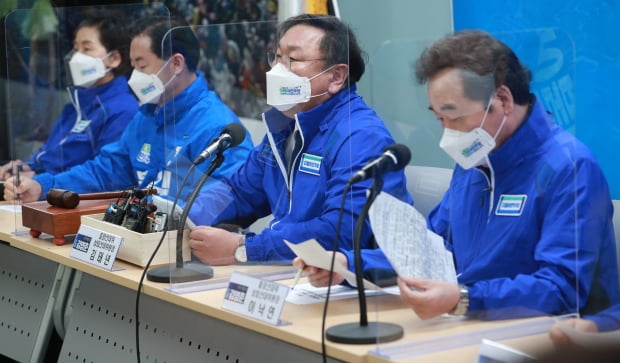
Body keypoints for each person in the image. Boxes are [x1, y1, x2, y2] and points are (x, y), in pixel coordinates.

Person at [297, 30, 619, 321]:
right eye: (438, 119)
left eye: (453, 116)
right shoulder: (475, 159)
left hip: (553, 340)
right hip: (470, 324)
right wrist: (346, 264)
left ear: (503, 100)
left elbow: (561, 289)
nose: (447, 134)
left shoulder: (569, 167)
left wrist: (464, 299)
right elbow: (428, 249)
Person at [186, 14, 411, 266]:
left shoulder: (360, 136)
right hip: (292, 269)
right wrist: (183, 218)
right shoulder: (286, 125)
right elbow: (239, 193)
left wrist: (245, 248)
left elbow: (341, 232)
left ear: (336, 76)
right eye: (277, 57)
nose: (277, 70)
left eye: (292, 59)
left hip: (345, 283)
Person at [3, 17, 252, 204]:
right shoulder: (146, 117)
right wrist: (42, 187)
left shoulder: (217, 125)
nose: (135, 77)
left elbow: (233, 195)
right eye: (132, 66)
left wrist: (173, 220)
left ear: (176, 63)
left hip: (187, 247)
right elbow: (106, 171)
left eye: (142, 65)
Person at [0, 10, 138, 181]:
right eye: (75, 49)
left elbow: (105, 176)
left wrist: (41, 182)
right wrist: (25, 168)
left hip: (70, 201)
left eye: (87, 49)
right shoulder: (75, 106)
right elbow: (50, 155)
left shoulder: (123, 110)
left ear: (114, 58)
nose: (77, 57)